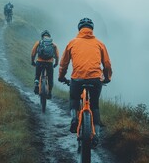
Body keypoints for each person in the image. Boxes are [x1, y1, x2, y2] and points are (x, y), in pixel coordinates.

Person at [58, 17, 112, 147]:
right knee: (94, 106)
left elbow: (64, 63)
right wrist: (107, 78)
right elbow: (107, 64)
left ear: (79, 29)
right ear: (91, 29)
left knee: (74, 98)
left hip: (77, 79)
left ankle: (74, 119)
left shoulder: (72, 43)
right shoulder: (100, 44)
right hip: (95, 79)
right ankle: (97, 135)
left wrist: (61, 77)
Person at [31, 30, 59, 99]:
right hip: (49, 63)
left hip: (40, 62)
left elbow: (33, 53)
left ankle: (37, 83)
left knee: (37, 75)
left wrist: (32, 61)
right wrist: (56, 63)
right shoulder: (53, 44)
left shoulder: (39, 42)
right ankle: (49, 92)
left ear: (42, 36)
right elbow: (57, 55)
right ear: (49, 36)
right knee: (50, 78)